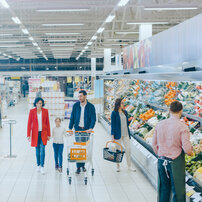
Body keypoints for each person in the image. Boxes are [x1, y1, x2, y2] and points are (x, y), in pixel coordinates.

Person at [152, 101, 193, 202]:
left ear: (169, 110)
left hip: (161, 161)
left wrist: (161, 154)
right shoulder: (182, 126)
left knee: (163, 190)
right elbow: (187, 149)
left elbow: (154, 144)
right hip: (175, 162)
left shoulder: (160, 124)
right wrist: (191, 153)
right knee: (178, 192)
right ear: (181, 111)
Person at [69, 90, 96, 174]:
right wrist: (70, 128)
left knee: (84, 148)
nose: (79, 98)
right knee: (78, 148)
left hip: (86, 130)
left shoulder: (91, 106)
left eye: (81, 96)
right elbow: (72, 117)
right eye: (79, 96)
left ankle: (83, 165)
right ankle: (78, 167)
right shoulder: (76, 105)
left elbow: (93, 118)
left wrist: (91, 128)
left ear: (85, 96)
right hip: (77, 129)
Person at [111, 98, 136, 172]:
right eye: (122, 103)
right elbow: (113, 125)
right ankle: (118, 165)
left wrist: (132, 120)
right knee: (118, 150)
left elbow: (126, 123)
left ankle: (129, 166)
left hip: (125, 134)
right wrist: (112, 136)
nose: (123, 104)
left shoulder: (125, 112)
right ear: (118, 104)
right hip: (117, 134)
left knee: (128, 149)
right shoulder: (114, 113)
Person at [27, 97, 51, 175]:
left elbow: (47, 123)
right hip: (35, 133)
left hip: (43, 133)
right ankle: (38, 165)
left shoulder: (45, 111)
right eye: (38, 103)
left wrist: (48, 134)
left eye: (41, 103)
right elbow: (29, 123)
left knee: (43, 149)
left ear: (42, 104)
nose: (39, 104)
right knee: (37, 150)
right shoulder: (32, 111)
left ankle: (42, 166)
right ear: (35, 103)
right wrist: (28, 135)